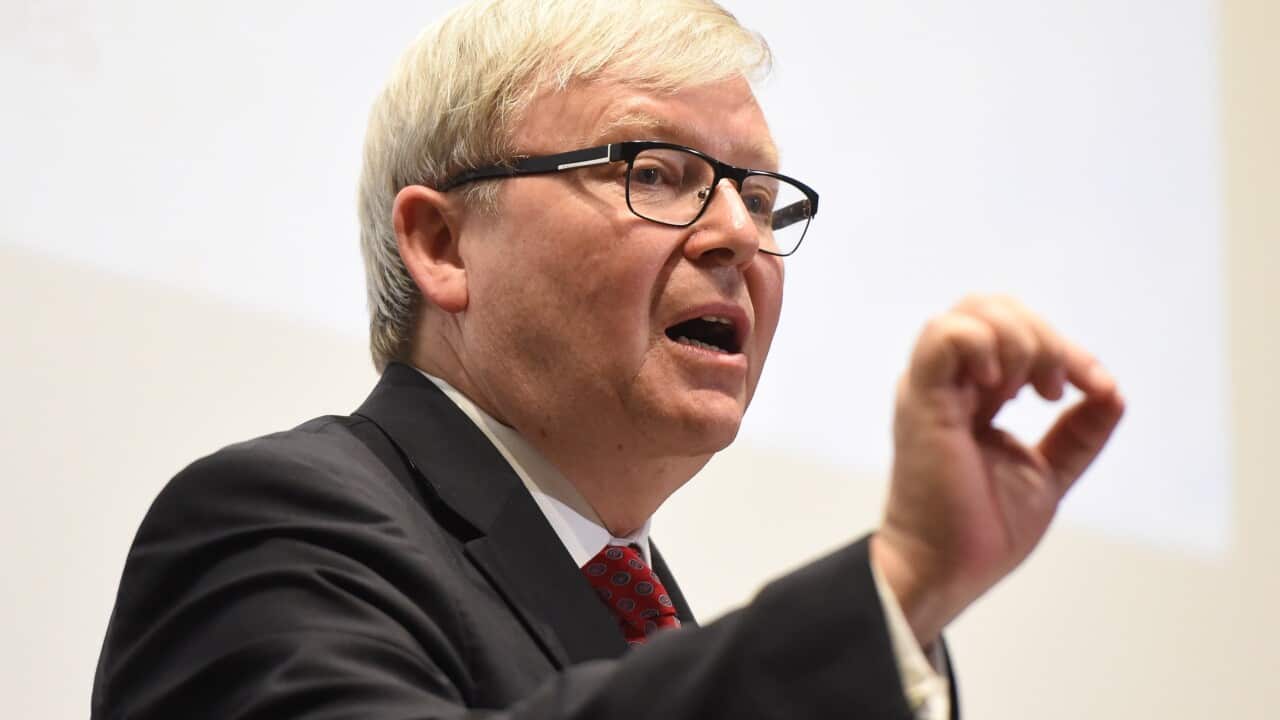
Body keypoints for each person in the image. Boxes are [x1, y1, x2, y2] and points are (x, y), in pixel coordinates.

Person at [91, 1, 1125, 718]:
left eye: (760, 200)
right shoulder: (270, 528)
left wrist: (915, 613)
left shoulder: (644, 618)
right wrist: (894, 585)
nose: (735, 237)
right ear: (443, 244)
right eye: (656, 172)